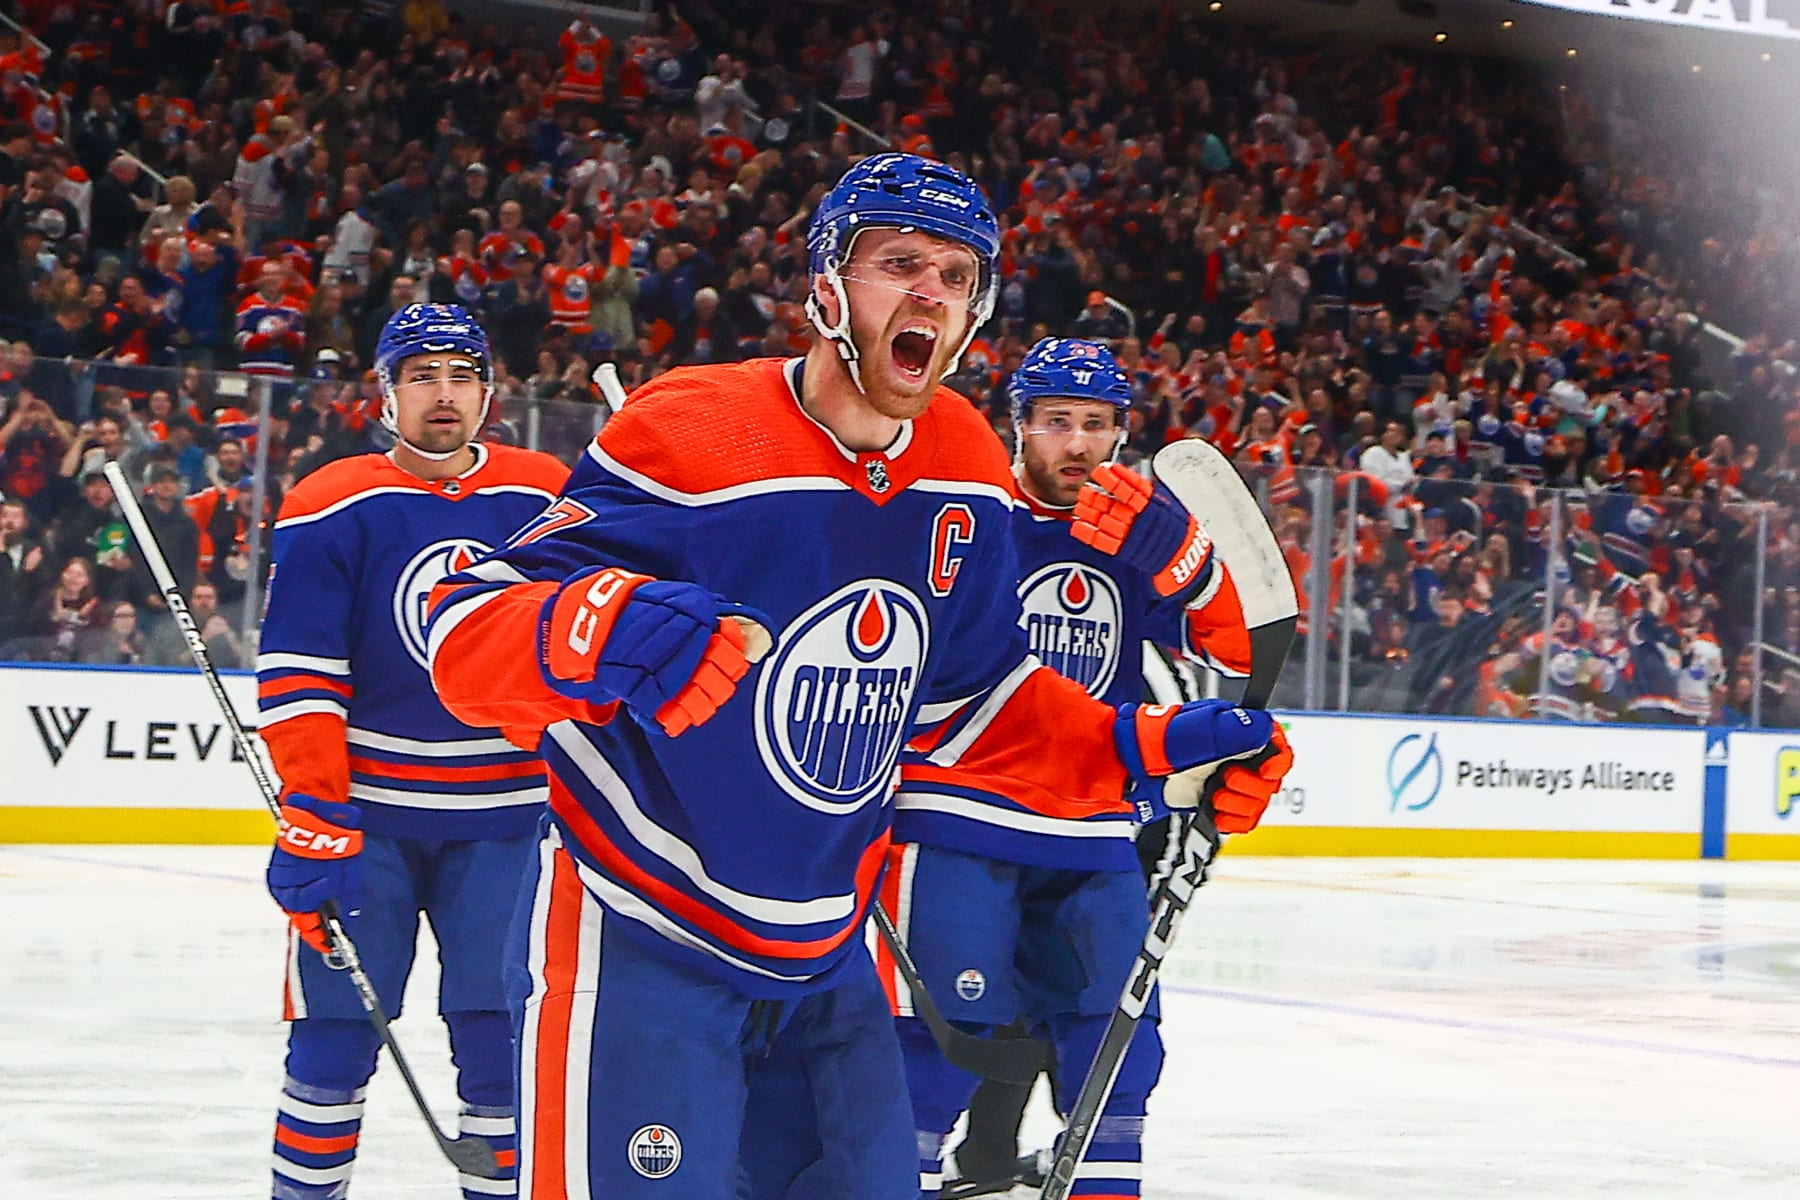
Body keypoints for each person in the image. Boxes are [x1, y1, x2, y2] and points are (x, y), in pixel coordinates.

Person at [424, 154, 1291, 1198]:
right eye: (899, 262)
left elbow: (978, 702)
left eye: (958, 277)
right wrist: (596, 623)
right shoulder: (689, 424)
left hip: (832, 955)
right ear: (828, 285)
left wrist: (1143, 750)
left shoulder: (967, 462)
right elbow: (461, 625)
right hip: (649, 932)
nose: (930, 291)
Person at [888, 338, 1284, 1198]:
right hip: (963, 818)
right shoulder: (969, 513)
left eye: (1096, 425)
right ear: (1019, 425)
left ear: (1121, 433)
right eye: (1057, 422)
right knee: (934, 1047)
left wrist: (1189, 563)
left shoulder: (1135, 536)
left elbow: (1241, 647)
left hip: (1095, 826)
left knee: (1116, 1053)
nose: (1076, 444)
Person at [255, 303, 570, 1200]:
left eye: (463, 376)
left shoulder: (544, 493)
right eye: (423, 375)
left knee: (501, 1044)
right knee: (332, 1040)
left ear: (489, 393)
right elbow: (302, 669)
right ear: (384, 394)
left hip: (511, 821)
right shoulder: (331, 499)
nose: (445, 394)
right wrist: (315, 808)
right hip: (370, 823)